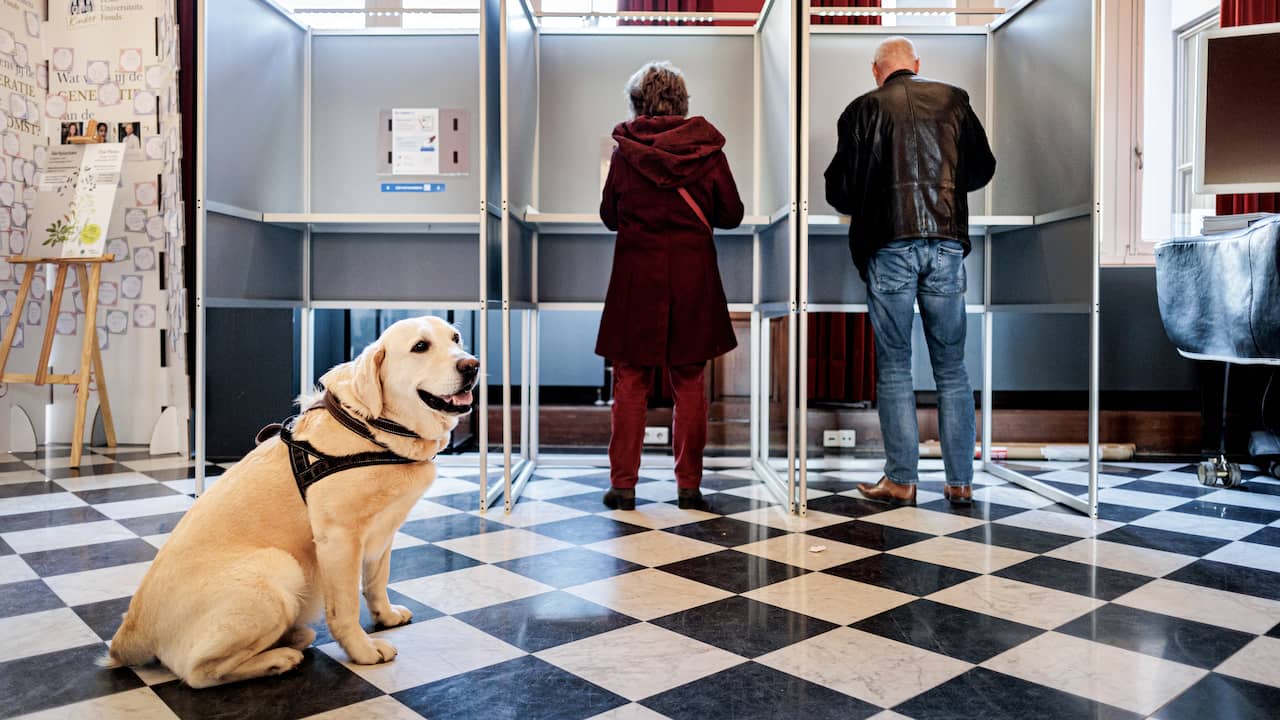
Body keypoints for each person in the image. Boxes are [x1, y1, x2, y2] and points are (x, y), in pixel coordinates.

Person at [824, 37, 996, 507]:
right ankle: (960, 482)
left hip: (890, 245)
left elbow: (839, 191)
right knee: (952, 369)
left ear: (876, 71)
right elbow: (981, 169)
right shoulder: (954, 100)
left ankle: (901, 480)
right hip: (945, 245)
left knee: (896, 365)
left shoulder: (861, 110)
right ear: (916, 65)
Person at [596, 61, 744, 512]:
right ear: (682, 103)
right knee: (690, 381)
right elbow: (732, 214)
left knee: (630, 382)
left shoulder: (625, 154)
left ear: (638, 103)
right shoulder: (709, 152)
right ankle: (689, 487)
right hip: (692, 276)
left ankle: (623, 486)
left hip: (636, 278)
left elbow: (609, 216)